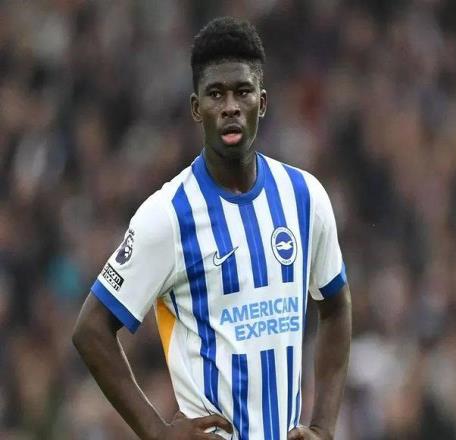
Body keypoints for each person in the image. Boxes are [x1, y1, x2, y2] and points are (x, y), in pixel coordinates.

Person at [73, 16, 351, 440]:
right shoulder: (167, 216)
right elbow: (91, 330)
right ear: (195, 108)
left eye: (243, 92)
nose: (230, 106)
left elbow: (335, 306)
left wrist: (324, 428)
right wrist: (157, 432)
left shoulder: (304, 197)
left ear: (262, 102)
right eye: (216, 94)